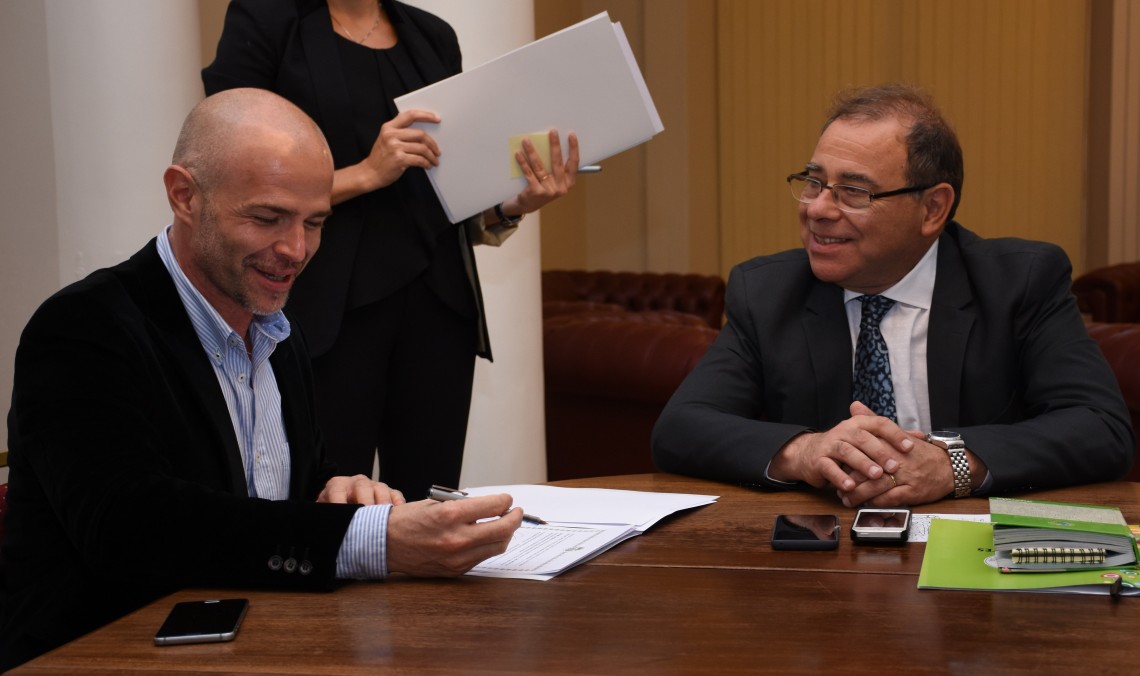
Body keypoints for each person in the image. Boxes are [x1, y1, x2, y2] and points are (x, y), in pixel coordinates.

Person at [0, 88, 524, 672]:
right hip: (98, 655)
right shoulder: (82, 327)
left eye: (315, 222)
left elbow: (275, 487)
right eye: (267, 218)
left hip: (263, 645)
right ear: (184, 195)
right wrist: (369, 540)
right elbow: (128, 527)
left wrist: (340, 488)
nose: (295, 250)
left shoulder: (277, 331)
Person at [652, 83, 1134, 508]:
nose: (818, 209)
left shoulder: (1019, 282)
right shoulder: (768, 292)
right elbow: (682, 427)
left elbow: (1100, 428)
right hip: (823, 557)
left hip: (977, 553)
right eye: (814, 183)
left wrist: (951, 465)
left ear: (933, 208)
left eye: (853, 191)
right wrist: (806, 451)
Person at [202, 0, 580, 499]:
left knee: (430, 502)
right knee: (331, 499)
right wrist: (367, 172)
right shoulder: (268, 21)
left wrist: (512, 204)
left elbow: (447, 190)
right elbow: (233, 170)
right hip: (324, 310)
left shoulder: (432, 36)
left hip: (439, 303)